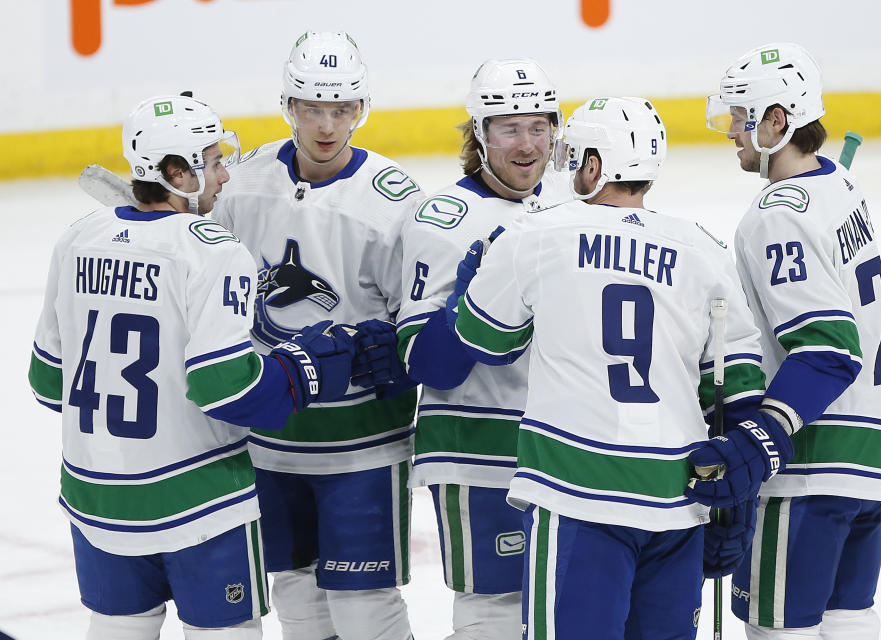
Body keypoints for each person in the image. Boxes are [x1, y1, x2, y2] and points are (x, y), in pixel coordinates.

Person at [27, 94, 362, 639]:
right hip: (197, 502)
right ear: (176, 173)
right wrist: (309, 367)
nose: (225, 174)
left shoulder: (78, 236)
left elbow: (47, 384)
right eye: (211, 161)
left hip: (96, 498)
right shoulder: (211, 249)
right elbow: (225, 389)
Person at [448, 96, 768, 640]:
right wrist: (740, 498)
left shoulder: (534, 235)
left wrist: (472, 281)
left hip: (577, 490)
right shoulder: (699, 248)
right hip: (677, 495)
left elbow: (482, 338)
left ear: (594, 165)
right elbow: (737, 382)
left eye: (575, 156)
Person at [687, 42, 881, 640]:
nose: (732, 132)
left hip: (818, 456)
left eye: (742, 117)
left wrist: (762, 435)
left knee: (780, 630)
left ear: (776, 121)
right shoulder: (836, 181)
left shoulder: (776, 216)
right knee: (849, 621)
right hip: (879, 445)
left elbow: (828, 347)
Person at [211, 31, 419, 640]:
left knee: (366, 609)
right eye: (312, 108)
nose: (327, 126)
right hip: (271, 434)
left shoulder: (394, 201)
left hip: (363, 441)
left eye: (340, 109)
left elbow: (418, 314)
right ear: (289, 107)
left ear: (360, 110)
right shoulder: (242, 186)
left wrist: (399, 353)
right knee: (297, 600)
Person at [395, 58, 569, 639]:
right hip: (479, 449)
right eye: (508, 128)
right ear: (479, 135)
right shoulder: (442, 220)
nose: (527, 144)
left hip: (565, 444)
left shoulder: (576, 207)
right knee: (491, 616)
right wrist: (469, 300)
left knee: (563, 609)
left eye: (538, 126)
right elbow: (425, 363)